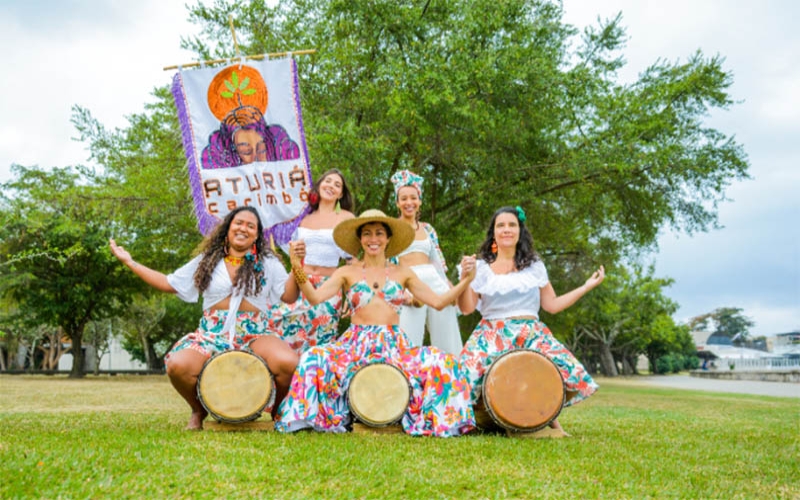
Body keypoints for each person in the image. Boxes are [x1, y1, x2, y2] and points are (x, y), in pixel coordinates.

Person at [275, 209, 477, 437]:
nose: (373, 239)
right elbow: (314, 297)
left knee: (444, 361)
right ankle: (304, 418)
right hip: (355, 344)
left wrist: (466, 281)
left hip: (393, 345)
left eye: (379, 233)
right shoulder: (346, 272)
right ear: (360, 239)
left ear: (388, 238)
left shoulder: (403, 272)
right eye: (367, 234)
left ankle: (447, 420)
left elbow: (439, 302)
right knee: (313, 358)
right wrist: (296, 266)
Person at [109, 206, 299, 430]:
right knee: (177, 366)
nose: (243, 228)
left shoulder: (268, 263)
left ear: (257, 235)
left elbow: (288, 296)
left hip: (256, 331)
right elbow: (169, 283)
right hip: (212, 332)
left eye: (251, 226)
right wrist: (131, 262)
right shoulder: (208, 260)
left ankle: (277, 411)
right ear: (228, 228)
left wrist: (297, 266)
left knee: (288, 363)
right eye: (238, 223)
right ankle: (198, 410)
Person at [457, 206, 604, 434]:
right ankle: (487, 418)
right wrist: (466, 279)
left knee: (561, 369)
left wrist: (585, 287)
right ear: (493, 233)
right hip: (491, 333)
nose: (507, 230)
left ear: (520, 231)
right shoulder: (480, 268)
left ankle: (548, 421)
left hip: (531, 331)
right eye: (501, 225)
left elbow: (551, 305)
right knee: (462, 381)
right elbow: (466, 308)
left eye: (512, 225)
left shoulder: (535, 266)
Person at [277, 168, 356, 353]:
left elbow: (352, 261)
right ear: (319, 185)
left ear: (341, 194)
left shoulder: (346, 218)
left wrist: (351, 295)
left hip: (327, 288)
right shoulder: (302, 217)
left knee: (321, 342)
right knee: (287, 338)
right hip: (298, 283)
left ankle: (317, 380)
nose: (331, 186)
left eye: (337, 185)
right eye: (328, 181)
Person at [390, 170, 463, 355]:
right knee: (408, 336)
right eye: (404, 198)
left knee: (447, 333)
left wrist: (448, 285)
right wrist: (398, 290)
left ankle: (452, 375)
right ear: (397, 203)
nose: (409, 203)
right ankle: (405, 379)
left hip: (433, 280)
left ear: (419, 201)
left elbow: (436, 261)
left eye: (413, 198)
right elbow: (388, 264)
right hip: (408, 282)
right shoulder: (391, 228)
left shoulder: (428, 229)